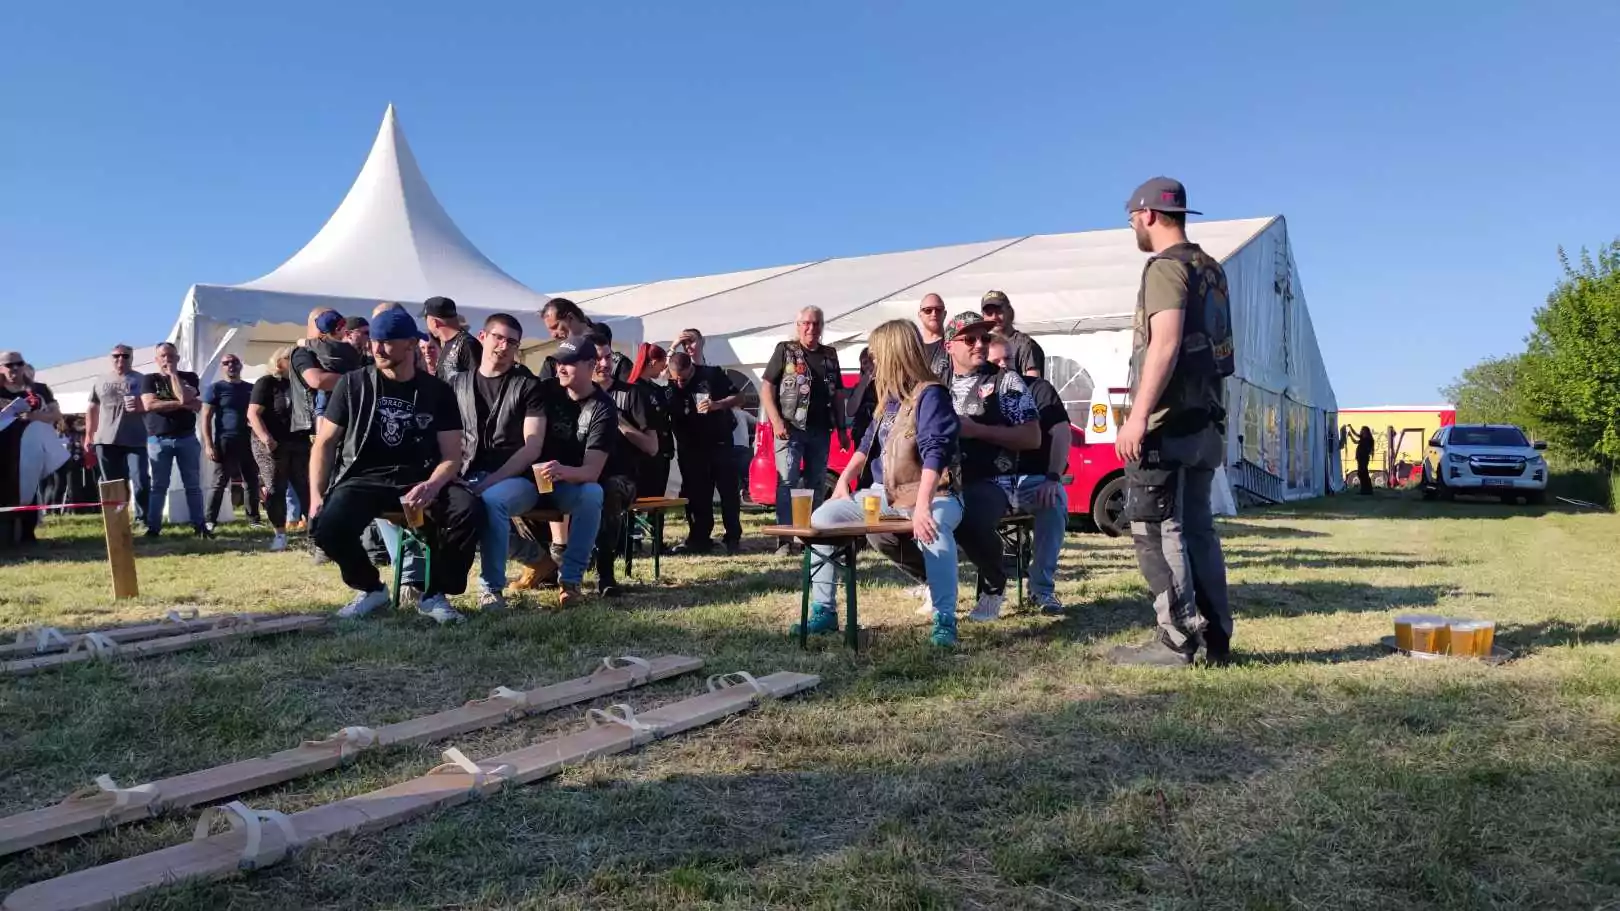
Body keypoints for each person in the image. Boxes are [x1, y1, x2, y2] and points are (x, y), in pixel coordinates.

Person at [1109, 176, 1234, 668]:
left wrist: (1137, 417)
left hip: (1168, 424)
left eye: (1132, 220)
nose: (1133, 229)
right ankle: (1217, 639)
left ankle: (1178, 642)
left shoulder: (1165, 267)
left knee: (1155, 530)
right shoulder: (1211, 269)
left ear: (1148, 215)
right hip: (1206, 422)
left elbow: (1165, 343)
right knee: (1197, 531)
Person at [309, 307, 482, 624]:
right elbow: (325, 443)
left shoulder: (437, 391)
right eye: (375, 340)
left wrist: (432, 484)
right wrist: (316, 496)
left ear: (411, 344)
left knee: (467, 508)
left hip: (421, 476)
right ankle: (371, 589)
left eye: (387, 341)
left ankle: (435, 594)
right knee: (326, 527)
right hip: (365, 477)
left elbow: (451, 456)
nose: (378, 348)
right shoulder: (352, 384)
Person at [797, 320, 964, 647]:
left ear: (893, 353)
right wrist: (843, 483)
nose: (871, 361)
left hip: (935, 493)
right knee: (821, 519)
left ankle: (945, 619)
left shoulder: (931, 395)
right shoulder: (889, 398)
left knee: (933, 526)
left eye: (876, 355)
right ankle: (824, 609)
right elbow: (865, 446)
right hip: (885, 494)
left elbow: (936, 453)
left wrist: (923, 506)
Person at [942, 312, 1041, 621]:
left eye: (985, 338)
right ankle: (933, 581)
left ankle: (994, 584)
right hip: (940, 480)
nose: (980, 344)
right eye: (970, 339)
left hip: (992, 480)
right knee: (888, 531)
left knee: (969, 515)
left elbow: (1033, 437)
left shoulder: (1004, 381)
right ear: (949, 346)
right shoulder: (935, 383)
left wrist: (977, 430)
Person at [447, 313, 546, 611]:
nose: (503, 346)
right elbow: (445, 437)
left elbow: (533, 447)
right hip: (465, 474)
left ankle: (491, 589)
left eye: (511, 342)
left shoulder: (527, 385)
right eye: (498, 338)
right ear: (482, 337)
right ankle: (414, 583)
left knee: (491, 502)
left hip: (518, 480)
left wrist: (491, 480)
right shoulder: (456, 384)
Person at [508, 336, 614, 604]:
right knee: (485, 499)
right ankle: (537, 561)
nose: (560, 368)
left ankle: (570, 581)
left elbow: (591, 471)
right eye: (558, 363)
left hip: (566, 484)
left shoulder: (602, 407)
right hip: (527, 481)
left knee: (592, 493)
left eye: (569, 363)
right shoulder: (544, 390)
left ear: (590, 365)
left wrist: (561, 471)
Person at [988, 338, 1070, 615]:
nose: (1004, 366)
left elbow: (1061, 432)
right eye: (996, 362)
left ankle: (1041, 590)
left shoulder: (1038, 388)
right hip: (989, 483)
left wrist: (1053, 477)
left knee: (1054, 500)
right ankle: (988, 591)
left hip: (1031, 480)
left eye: (1008, 360)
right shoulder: (977, 394)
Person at [760, 306, 849, 554]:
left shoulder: (830, 355)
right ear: (798, 326)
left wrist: (842, 428)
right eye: (806, 323)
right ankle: (786, 540)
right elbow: (766, 388)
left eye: (816, 323)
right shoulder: (785, 350)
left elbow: (838, 394)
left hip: (820, 429)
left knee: (816, 483)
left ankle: (812, 538)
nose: (811, 328)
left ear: (822, 327)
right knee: (787, 481)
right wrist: (776, 421)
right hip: (789, 428)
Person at [591, 333, 658, 595]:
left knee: (608, 490)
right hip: (582, 475)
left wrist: (618, 421)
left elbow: (652, 447)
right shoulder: (572, 395)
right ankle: (551, 566)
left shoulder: (631, 395)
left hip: (622, 479)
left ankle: (605, 573)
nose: (605, 364)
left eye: (608, 357)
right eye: (597, 359)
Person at [665, 350, 743, 554]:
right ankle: (699, 537)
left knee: (728, 491)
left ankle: (732, 536)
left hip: (719, 441)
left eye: (683, 379)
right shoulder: (670, 383)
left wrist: (717, 405)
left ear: (691, 368)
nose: (679, 383)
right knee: (695, 493)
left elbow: (738, 396)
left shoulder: (711, 374)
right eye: (675, 379)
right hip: (690, 446)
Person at [138, 343, 208, 537]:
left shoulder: (190, 377)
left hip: (186, 438)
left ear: (177, 358)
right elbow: (150, 404)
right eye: (162, 356)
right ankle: (153, 528)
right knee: (159, 486)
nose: (166, 359)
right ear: (156, 359)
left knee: (192, 485)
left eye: (170, 355)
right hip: (158, 440)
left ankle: (199, 525)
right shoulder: (149, 379)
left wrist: (173, 375)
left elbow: (186, 397)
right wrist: (183, 404)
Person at [1, 351, 63, 545]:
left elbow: (56, 415)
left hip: (29, 445)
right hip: (4, 446)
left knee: (28, 487)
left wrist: (34, 416)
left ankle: (28, 534)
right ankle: (7, 535)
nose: (14, 368)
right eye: (9, 365)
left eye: (18, 364)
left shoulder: (39, 389)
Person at [84, 344, 150, 523]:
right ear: (111, 358)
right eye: (116, 356)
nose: (120, 359)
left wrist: (140, 405)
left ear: (131, 358)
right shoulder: (100, 380)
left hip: (136, 439)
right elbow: (92, 408)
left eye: (125, 356)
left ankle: (142, 519)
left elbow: (152, 404)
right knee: (112, 483)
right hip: (105, 439)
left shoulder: (142, 379)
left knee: (141, 480)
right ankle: (117, 522)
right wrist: (89, 435)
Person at [201, 354, 262, 528]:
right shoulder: (216, 388)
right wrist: (208, 445)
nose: (231, 365)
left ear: (240, 365)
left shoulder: (251, 389)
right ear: (222, 367)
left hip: (249, 441)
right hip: (225, 441)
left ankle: (253, 520)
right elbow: (205, 417)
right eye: (226, 363)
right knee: (219, 481)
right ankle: (210, 520)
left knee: (251, 481)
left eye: (234, 362)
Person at [248, 347, 296, 551]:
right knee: (275, 488)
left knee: (304, 487)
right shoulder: (266, 382)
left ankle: (315, 534)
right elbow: (253, 414)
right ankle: (280, 534)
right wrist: (266, 438)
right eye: (291, 358)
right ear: (280, 362)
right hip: (270, 443)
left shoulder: (299, 384)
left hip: (296, 442)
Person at [538, 298, 631, 382]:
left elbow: (630, 393)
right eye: (550, 330)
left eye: (555, 327)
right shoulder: (553, 363)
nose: (553, 335)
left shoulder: (618, 364)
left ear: (570, 318)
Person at [628, 343, 675, 499]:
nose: (663, 369)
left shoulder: (653, 388)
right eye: (662, 365)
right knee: (647, 500)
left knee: (657, 500)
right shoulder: (635, 389)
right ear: (653, 362)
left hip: (663, 452)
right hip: (645, 455)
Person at [980, 291, 1046, 378]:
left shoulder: (1025, 345)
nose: (994, 317)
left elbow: (1034, 382)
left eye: (999, 311)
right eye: (989, 313)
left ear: (1010, 312)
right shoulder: (981, 344)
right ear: (983, 317)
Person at [422, 296, 482, 383]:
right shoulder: (449, 344)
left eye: (426, 320)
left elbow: (477, 382)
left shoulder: (467, 344)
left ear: (434, 322)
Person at [917, 293, 951, 380]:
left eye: (938, 310)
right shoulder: (913, 348)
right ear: (920, 315)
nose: (934, 313)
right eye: (928, 310)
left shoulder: (953, 345)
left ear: (944, 314)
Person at [1355, 425, 1376, 494]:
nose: (1361, 431)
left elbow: (1369, 449)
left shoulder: (1369, 439)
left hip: (1364, 458)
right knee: (1361, 473)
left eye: (1362, 430)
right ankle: (1365, 489)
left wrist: (1367, 452)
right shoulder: (1363, 438)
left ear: (1366, 431)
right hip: (1360, 458)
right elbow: (1356, 437)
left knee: (1363, 473)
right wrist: (1351, 429)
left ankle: (1366, 489)